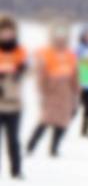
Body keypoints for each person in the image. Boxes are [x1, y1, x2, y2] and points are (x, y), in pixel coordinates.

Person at [27, 25, 78, 158]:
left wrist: (76, 90)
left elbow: (75, 74)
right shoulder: (45, 53)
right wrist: (43, 90)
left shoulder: (70, 55)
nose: (60, 39)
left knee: (62, 122)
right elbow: (40, 74)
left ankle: (54, 148)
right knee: (45, 120)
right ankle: (30, 146)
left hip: (66, 93)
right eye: (58, 36)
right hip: (51, 92)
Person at [0, 15, 27, 179]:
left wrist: (20, 72)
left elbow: (26, 71)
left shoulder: (20, 51)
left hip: (14, 104)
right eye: (4, 32)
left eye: (10, 32)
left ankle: (16, 170)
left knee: (13, 141)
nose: (7, 35)